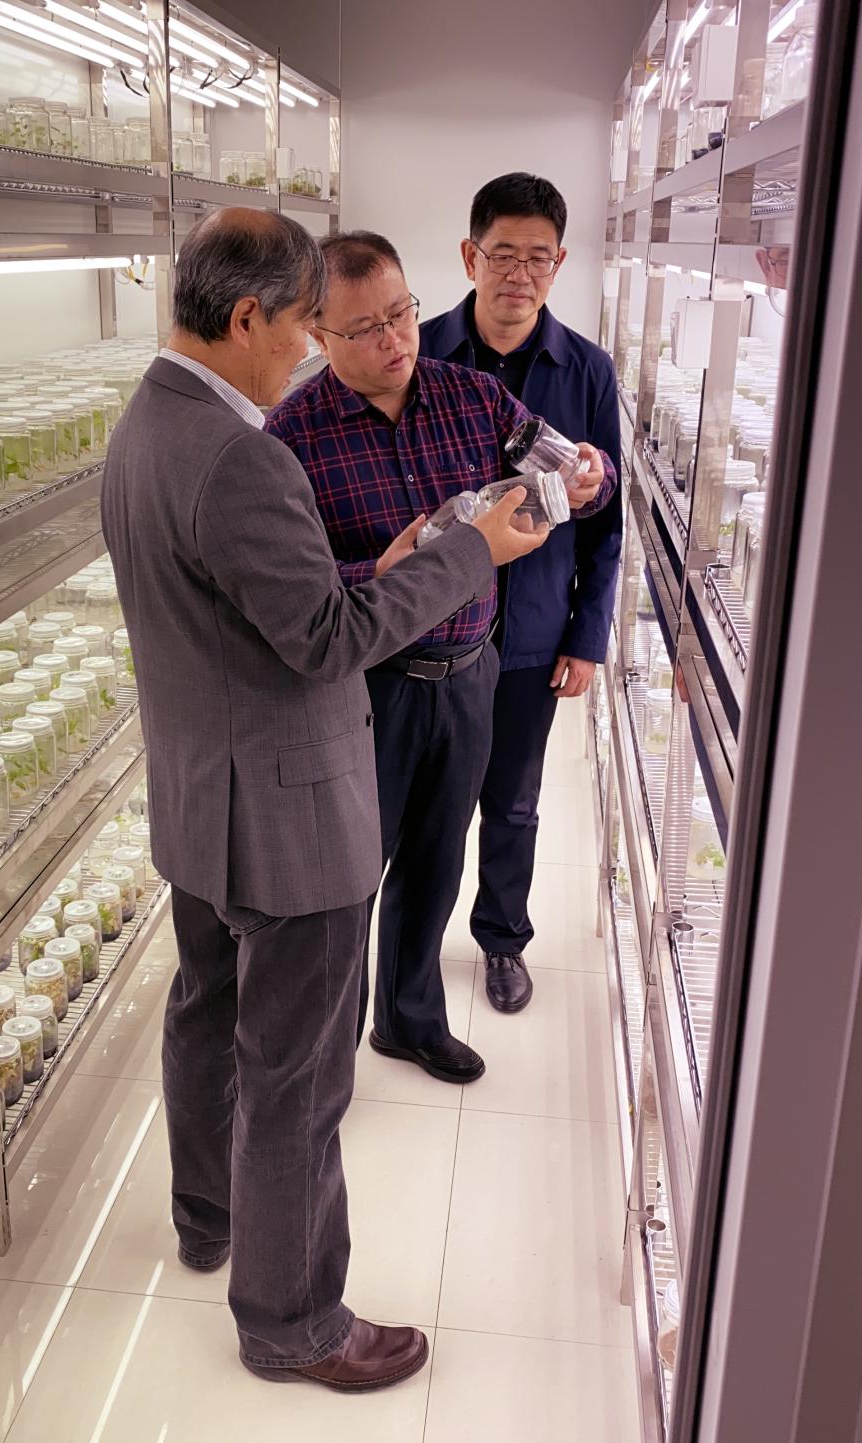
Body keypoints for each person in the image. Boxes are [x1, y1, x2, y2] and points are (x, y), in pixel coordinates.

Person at [100, 208, 547, 1392]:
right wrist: (471, 554)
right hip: (286, 816)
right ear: (246, 317)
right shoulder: (243, 455)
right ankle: (292, 1321)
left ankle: (209, 1219)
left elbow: (251, 608)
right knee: (295, 1075)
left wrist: (373, 568)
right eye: (305, 326)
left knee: (207, 1014)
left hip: (200, 800)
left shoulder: (147, 424)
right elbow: (327, 640)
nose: (308, 350)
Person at [265, 231, 614, 1083]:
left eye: (401, 314)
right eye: (365, 329)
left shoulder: (472, 397)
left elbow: (562, 468)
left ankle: (409, 1019)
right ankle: (326, 1057)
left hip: (467, 673)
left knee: (435, 859)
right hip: (364, 690)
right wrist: (373, 572)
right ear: (318, 335)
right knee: (347, 882)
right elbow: (288, 590)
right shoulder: (289, 437)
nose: (394, 340)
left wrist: (586, 475)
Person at [420, 174, 623, 1014]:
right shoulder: (420, 355)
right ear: (470, 256)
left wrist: (587, 636)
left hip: (532, 630)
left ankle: (502, 939)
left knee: (513, 800)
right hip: (429, 628)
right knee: (426, 804)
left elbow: (609, 520)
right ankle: (411, 954)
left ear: (559, 264)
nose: (520, 274)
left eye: (538, 258)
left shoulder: (587, 370)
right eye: (503, 254)